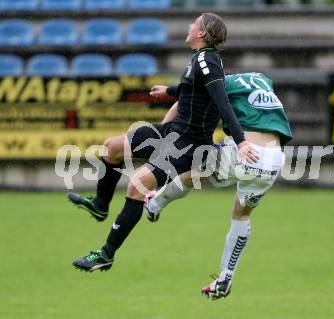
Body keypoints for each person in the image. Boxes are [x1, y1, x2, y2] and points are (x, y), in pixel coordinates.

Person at [70, 13, 258, 272]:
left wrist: (241, 142)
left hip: (186, 143)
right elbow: (193, 90)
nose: (190, 25)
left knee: (136, 187)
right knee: (112, 148)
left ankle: (106, 254)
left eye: (195, 23)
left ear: (201, 34)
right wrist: (168, 91)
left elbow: (221, 101)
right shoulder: (200, 60)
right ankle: (101, 206)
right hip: (172, 130)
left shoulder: (208, 61)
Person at [144, 72, 293, 300]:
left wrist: (168, 96)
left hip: (245, 152)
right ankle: (225, 277)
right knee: (241, 215)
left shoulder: (225, 83)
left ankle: (154, 204)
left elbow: (189, 97)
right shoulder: (264, 81)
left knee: (190, 174)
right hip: (274, 159)